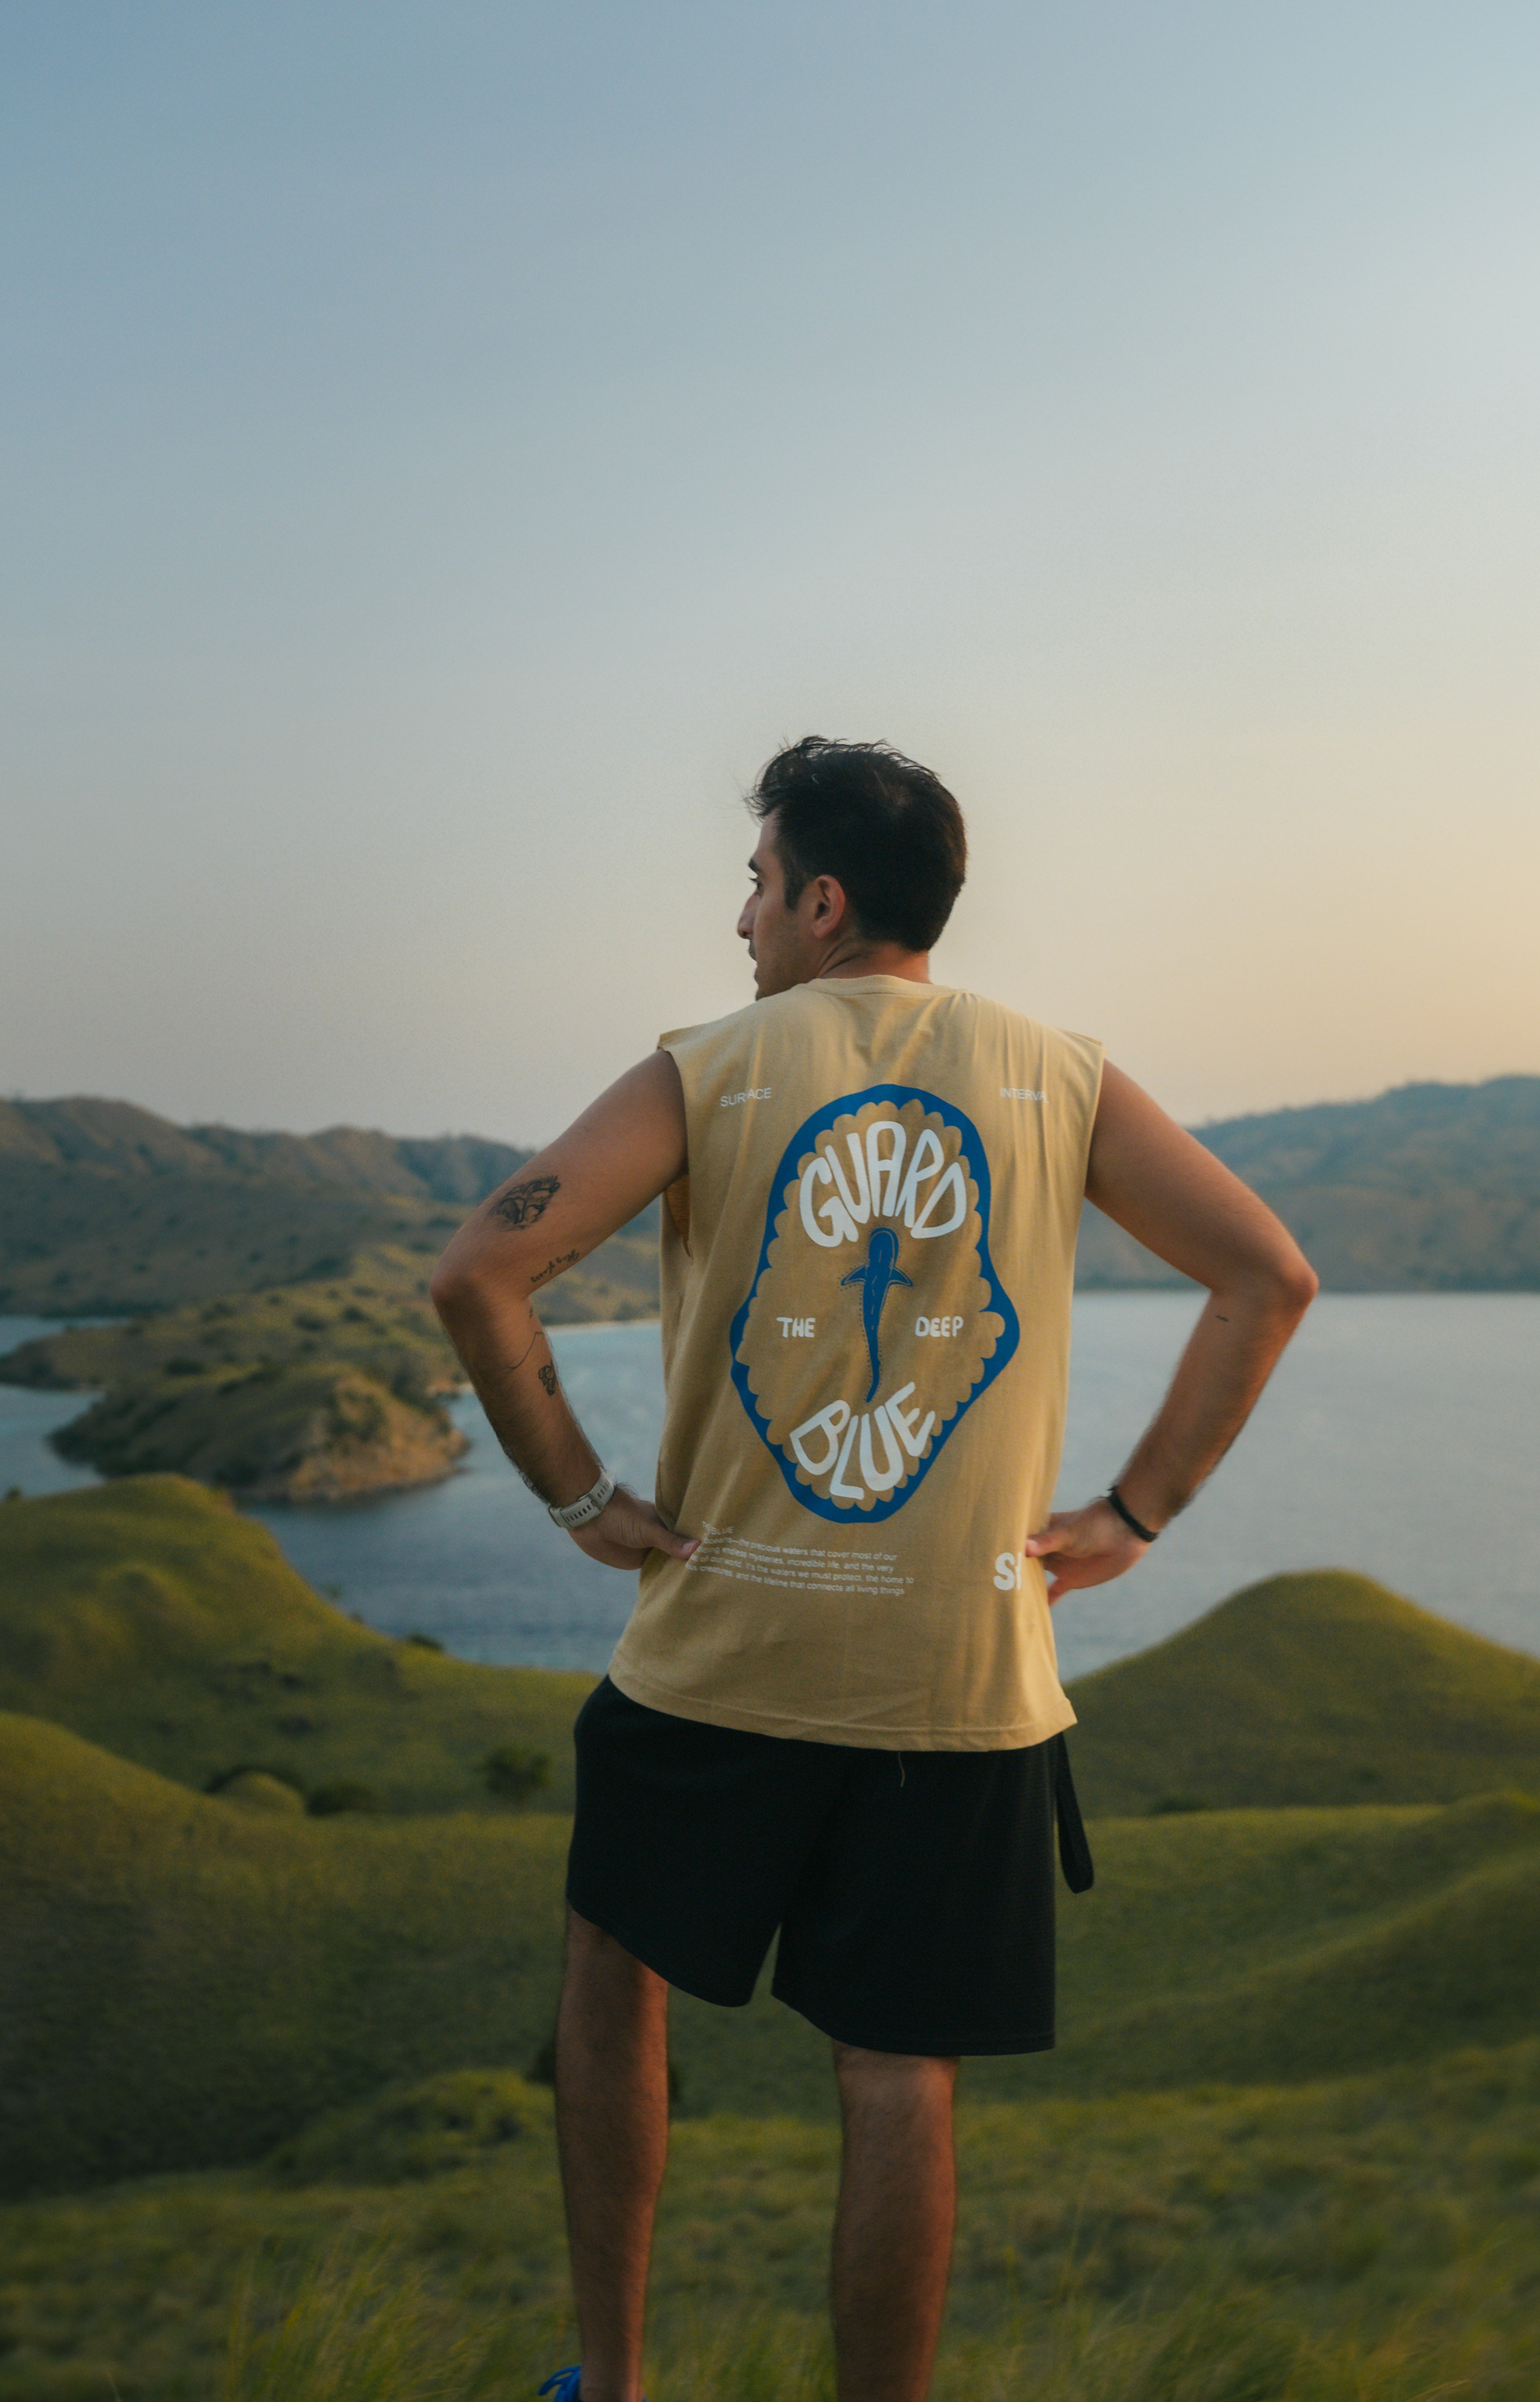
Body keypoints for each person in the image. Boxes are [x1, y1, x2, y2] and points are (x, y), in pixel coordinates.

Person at [430, 738, 1317, 2402]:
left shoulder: (710, 1069)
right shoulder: (1062, 1072)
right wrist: (1135, 1513)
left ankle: (609, 2386)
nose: (743, 917)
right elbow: (1267, 1276)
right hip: (963, 1684)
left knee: (615, 1973)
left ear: (824, 903)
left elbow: (482, 1271)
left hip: (716, 1660)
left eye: (758, 884)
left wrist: (574, 1494)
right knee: (900, 2077)